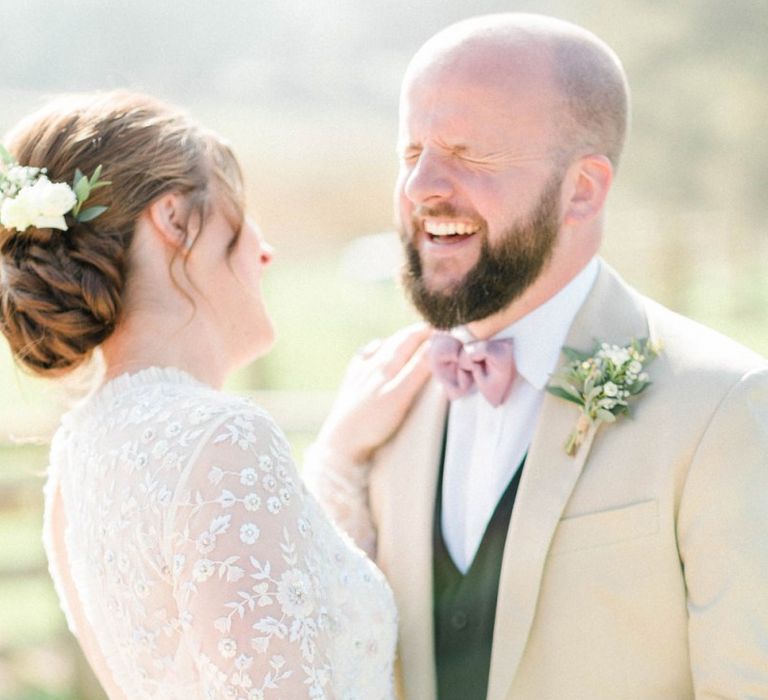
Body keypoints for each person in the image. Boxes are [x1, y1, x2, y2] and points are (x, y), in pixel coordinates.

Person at [305, 13, 768, 700]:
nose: (421, 187)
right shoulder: (382, 395)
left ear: (582, 190)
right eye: (411, 154)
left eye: (469, 154)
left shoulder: (724, 405)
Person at [0, 91, 432, 699]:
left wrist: (339, 455)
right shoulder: (222, 438)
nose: (264, 249)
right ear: (175, 219)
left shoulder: (75, 458)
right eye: (239, 209)